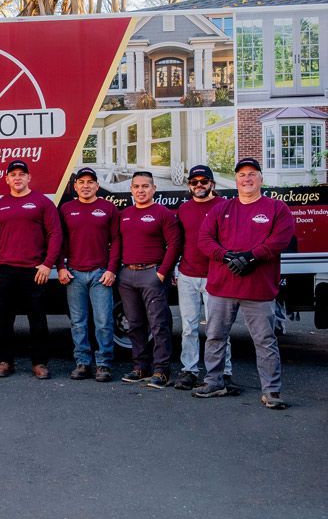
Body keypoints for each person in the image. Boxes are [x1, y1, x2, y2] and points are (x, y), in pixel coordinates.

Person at [193, 158, 295, 409]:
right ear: (235, 180)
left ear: (261, 178)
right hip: (222, 287)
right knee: (215, 336)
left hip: (258, 289)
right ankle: (214, 381)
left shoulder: (276, 208)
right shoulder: (221, 209)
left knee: (264, 340)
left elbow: (281, 239)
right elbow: (204, 239)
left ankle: (271, 391)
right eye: (241, 175)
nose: (246, 179)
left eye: (252, 174)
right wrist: (226, 256)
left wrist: (251, 257)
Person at [0, 160, 63, 379]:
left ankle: (39, 363)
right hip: (5, 270)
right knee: (3, 319)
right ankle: (5, 361)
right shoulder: (0, 205)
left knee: (37, 318)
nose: (17, 178)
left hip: (34, 270)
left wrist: (48, 264)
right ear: (7, 179)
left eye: (21, 174)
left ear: (29, 178)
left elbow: (55, 234)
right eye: (13, 175)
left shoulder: (42, 203)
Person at [116, 171, 182, 389]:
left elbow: (174, 245)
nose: (140, 190)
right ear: (131, 190)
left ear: (154, 189)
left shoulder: (163, 213)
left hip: (152, 274)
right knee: (134, 324)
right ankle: (140, 368)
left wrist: (162, 273)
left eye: (145, 186)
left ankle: (161, 371)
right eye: (136, 186)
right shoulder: (124, 214)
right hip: (127, 275)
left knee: (159, 324)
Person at [173, 165, 234, 391]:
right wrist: (175, 269)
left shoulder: (224, 206)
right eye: (194, 181)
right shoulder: (183, 209)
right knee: (188, 327)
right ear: (189, 185)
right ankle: (189, 370)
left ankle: (223, 372)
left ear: (212, 184)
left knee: (217, 329)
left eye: (203, 181)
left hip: (216, 277)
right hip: (188, 275)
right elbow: (178, 242)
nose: (199, 185)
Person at [57, 167, 120, 382]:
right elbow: (59, 242)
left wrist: (112, 269)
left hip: (100, 274)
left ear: (96, 185)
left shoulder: (108, 208)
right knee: (78, 322)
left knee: (103, 322)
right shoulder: (66, 209)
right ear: (75, 186)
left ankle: (103, 364)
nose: (85, 185)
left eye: (90, 182)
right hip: (74, 274)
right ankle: (82, 362)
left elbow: (117, 241)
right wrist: (61, 268)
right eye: (81, 181)